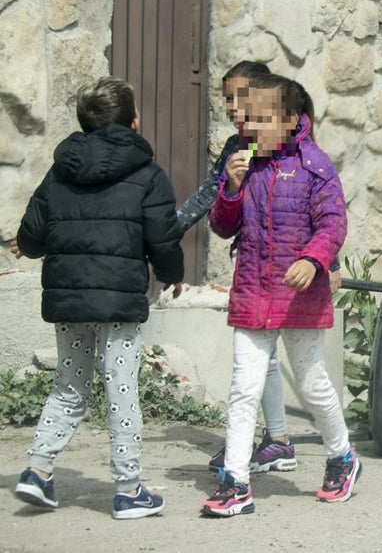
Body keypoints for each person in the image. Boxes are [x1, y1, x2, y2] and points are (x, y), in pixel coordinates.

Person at [11, 76, 184, 519]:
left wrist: (33, 244)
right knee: (120, 389)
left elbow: (30, 236)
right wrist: (171, 275)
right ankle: (128, 490)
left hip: (69, 304)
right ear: (135, 122)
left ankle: (37, 469)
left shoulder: (59, 170)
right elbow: (162, 238)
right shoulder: (147, 174)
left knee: (69, 386)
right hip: (119, 305)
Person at [200, 73, 360, 517]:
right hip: (253, 293)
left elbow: (333, 224)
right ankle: (235, 482)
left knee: (312, 384)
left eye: (262, 119)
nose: (250, 128)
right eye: (246, 119)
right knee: (243, 389)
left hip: (299, 298)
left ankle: (342, 456)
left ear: (291, 120)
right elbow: (222, 227)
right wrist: (229, 191)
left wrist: (314, 259)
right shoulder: (243, 162)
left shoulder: (315, 166)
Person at [177, 61, 312, 475]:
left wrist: (330, 261)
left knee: (298, 373)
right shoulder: (239, 147)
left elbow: (314, 204)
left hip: (289, 270)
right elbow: (212, 198)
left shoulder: (290, 145)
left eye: (241, 100)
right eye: (227, 101)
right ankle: (269, 440)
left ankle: (280, 440)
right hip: (256, 267)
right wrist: (168, 230)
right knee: (257, 360)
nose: (233, 109)